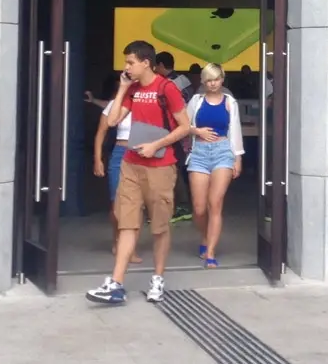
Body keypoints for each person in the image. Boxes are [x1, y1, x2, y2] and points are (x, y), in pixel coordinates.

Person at [86, 40, 191, 305]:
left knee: (159, 226)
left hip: (160, 165)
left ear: (146, 62)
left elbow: (185, 126)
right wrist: (122, 88)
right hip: (131, 164)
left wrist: (156, 144)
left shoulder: (167, 89)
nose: (127, 67)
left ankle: (157, 278)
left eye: (131, 62)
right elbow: (111, 121)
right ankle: (116, 283)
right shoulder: (131, 89)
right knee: (127, 223)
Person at [185, 63, 243, 268]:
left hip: (223, 152)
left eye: (216, 79)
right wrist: (197, 131)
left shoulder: (230, 102)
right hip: (199, 153)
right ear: (203, 81)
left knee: (215, 203)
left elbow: (235, 130)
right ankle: (205, 236)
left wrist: (237, 158)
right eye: (209, 80)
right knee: (199, 209)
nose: (213, 83)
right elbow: (182, 125)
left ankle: (210, 252)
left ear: (222, 80)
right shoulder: (196, 101)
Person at [87, 88, 142, 264]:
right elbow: (101, 133)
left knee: (137, 204)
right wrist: (98, 159)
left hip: (142, 153)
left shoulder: (149, 102)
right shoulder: (115, 104)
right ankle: (117, 239)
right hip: (120, 153)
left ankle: (131, 248)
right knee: (117, 204)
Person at [155, 52, 194, 223]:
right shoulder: (184, 79)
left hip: (174, 130)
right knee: (178, 167)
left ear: (161, 65)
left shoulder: (168, 84)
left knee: (173, 168)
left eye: (156, 66)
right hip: (185, 129)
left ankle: (181, 206)